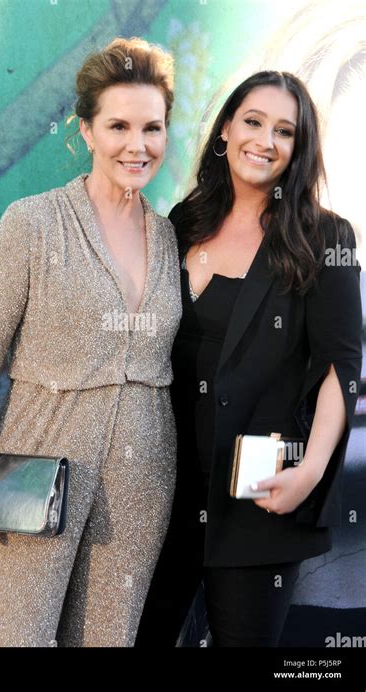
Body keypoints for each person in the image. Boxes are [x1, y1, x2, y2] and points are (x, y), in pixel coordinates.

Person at [0, 37, 182, 647]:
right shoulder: (32, 222)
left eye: (152, 127)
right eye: (118, 125)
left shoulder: (169, 235)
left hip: (142, 482)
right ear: (86, 131)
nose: (137, 144)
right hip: (34, 473)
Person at [136, 70, 362, 647]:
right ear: (226, 131)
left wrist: (309, 472)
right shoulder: (182, 223)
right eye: (254, 122)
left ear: (298, 150)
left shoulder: (325, 236)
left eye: (284, 131)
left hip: (259, 495)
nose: (265, 140)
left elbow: (341, 366)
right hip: (164, 492)